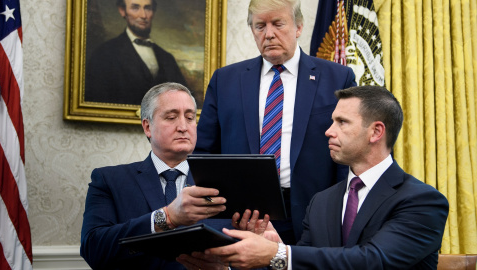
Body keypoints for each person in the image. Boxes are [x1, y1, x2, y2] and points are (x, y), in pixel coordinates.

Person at [182, 85, 449, 269]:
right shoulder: (321, 202)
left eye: (342, 122)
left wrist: (280, 254)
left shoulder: (423, 201)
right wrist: (272, 251)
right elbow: (303, 263)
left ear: (376, 132)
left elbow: (373, 261)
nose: (328, 132)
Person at [195, 0, 357, 244]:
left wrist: (339, 214)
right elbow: (204, 155)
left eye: (278, 24)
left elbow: (350, 152)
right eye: (260, 26)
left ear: (298, 27)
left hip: (313, 216)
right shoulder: (225, 80)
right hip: (243, 218)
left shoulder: (337, 77)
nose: (268, 34)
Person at [80, 82, 229, 269]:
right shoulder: (109, 180)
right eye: (172, 117)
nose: (183, 126)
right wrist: (167, 217)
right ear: (147, 127)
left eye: (190, 117)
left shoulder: (222, 184)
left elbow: (247, 255)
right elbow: (93, 250)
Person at [85, 0, 187, 105]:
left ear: (153, 11)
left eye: (147, 8)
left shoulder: (167, 59)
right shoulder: (104, 54)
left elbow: (184, 102)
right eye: (135, 8)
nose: (143, 15)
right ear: (122, 11)